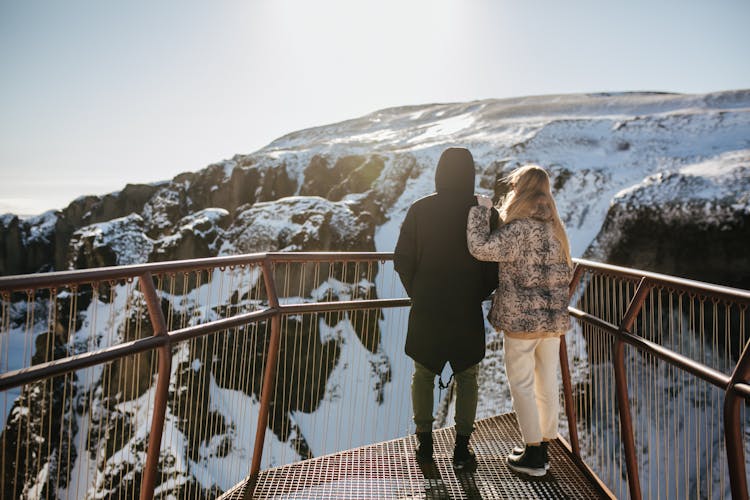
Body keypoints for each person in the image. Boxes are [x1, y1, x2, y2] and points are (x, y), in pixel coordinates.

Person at [394, 147, 498, 470]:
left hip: (428, 305)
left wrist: (419, 293)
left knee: (423, 373)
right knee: (468, 376)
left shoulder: (419, 210)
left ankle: (424, 446)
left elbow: (402, 260)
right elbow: (494, 267)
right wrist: (474, 293)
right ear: (470, 173)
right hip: (465, 309)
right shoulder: (483, 213)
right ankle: (462, 450)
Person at [466, 165, 572, 477]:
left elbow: (480, 248)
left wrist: (478, 211)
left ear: (520, 190)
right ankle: (543, 444)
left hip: (522, 324)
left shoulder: (518, 230)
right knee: (546, 382)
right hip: (552, 324)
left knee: (523, 386)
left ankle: (533, 455)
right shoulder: (556, 230)